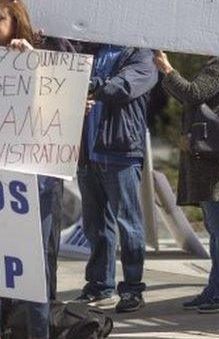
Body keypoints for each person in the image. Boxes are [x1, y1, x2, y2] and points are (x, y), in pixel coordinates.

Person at [0, 0, 71, 339]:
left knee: (34, 263)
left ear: (15, 23)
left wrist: (35, 62)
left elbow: (63, 101)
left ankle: (38, 332)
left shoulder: (39, 58)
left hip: (36, 183)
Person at [155, 51, 219, 313]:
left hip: (214, 163)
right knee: (215, 228)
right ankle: (217, 288)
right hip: (211, 160)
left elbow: (193, 93)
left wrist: (168, 70)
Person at [75, 43, 158, 313]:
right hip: (88, 152)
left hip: (120, 153)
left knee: (129, 225)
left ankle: (132, 289)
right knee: (95, 226)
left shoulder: (143, 54)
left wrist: (86, 84)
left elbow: (123, 87)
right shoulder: (92, 50)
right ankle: (100, 286)